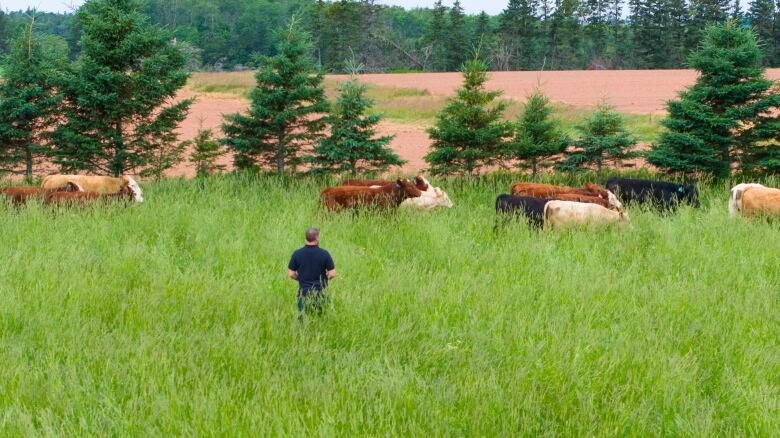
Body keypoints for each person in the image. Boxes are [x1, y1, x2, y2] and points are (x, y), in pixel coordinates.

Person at [288, 227, 336, 319]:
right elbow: (333, 273)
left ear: (306, 238)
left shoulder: (297, 253)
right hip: (321, 293)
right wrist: (325, 278)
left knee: (303, 322)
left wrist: (300, 278)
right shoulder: (324, 253)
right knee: (322, 320)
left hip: (303, 293)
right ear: (317, 238)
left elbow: (291, 274)